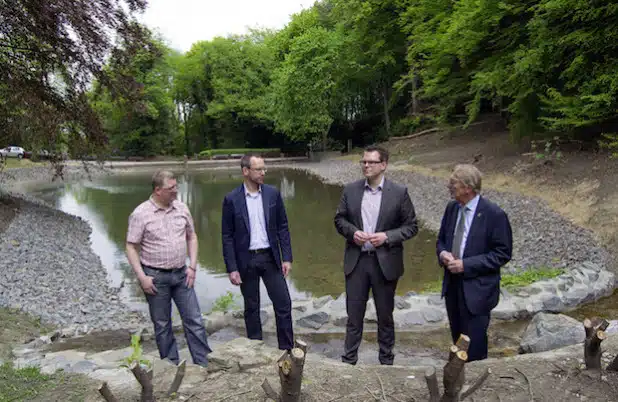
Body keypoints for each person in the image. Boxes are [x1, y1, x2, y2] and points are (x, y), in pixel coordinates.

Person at [334, 145, 418, 365]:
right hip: (357, 261)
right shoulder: (350, 190)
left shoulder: (399, 193)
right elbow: (339, 220)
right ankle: (349, 360)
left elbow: (411, 227)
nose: (366, 165)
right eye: (364, 161)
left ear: (384, 165)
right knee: (354, 316)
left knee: (385, 316)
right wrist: (353, 233)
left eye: (371, 162)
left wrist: (387, 237)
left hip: (385, 262)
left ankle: (386, 361)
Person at [126, 170, 211, 367]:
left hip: (182, 274)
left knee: (195, 320)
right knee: (163, 325)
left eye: (176, 186)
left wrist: (193, 267)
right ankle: (171, 366)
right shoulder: (141, 214)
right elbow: (131, 246)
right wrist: (141, 277)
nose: (176, 191)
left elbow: (192, 236)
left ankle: (204, 363)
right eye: (171, 188)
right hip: (155, 277)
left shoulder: (181, 208)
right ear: (158, 190)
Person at [436, 164, 512, 362]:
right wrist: (443, 254)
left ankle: (477, 385)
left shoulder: (494, 214)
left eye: (454, 183)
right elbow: (441, 239)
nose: (449, 186)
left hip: (478, 290)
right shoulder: (452, 208)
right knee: (457, 342)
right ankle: (457, 383)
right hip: (453, 286)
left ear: (468, 188)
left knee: (475, 346)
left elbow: (502, 253)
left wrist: (466, 265)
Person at [221, 153, 294, 351]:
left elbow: (282, 227)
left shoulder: (272, 194)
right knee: (252, 308)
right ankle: (255, 350)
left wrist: (286, 257)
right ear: (246, 171)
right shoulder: (231, 199)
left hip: (270, 257)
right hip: (246, 260)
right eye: (259, 169)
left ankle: (287, 350)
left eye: (264, 168)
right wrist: (232, 267)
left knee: (283, 304)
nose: (263, 172)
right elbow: (227, 236)